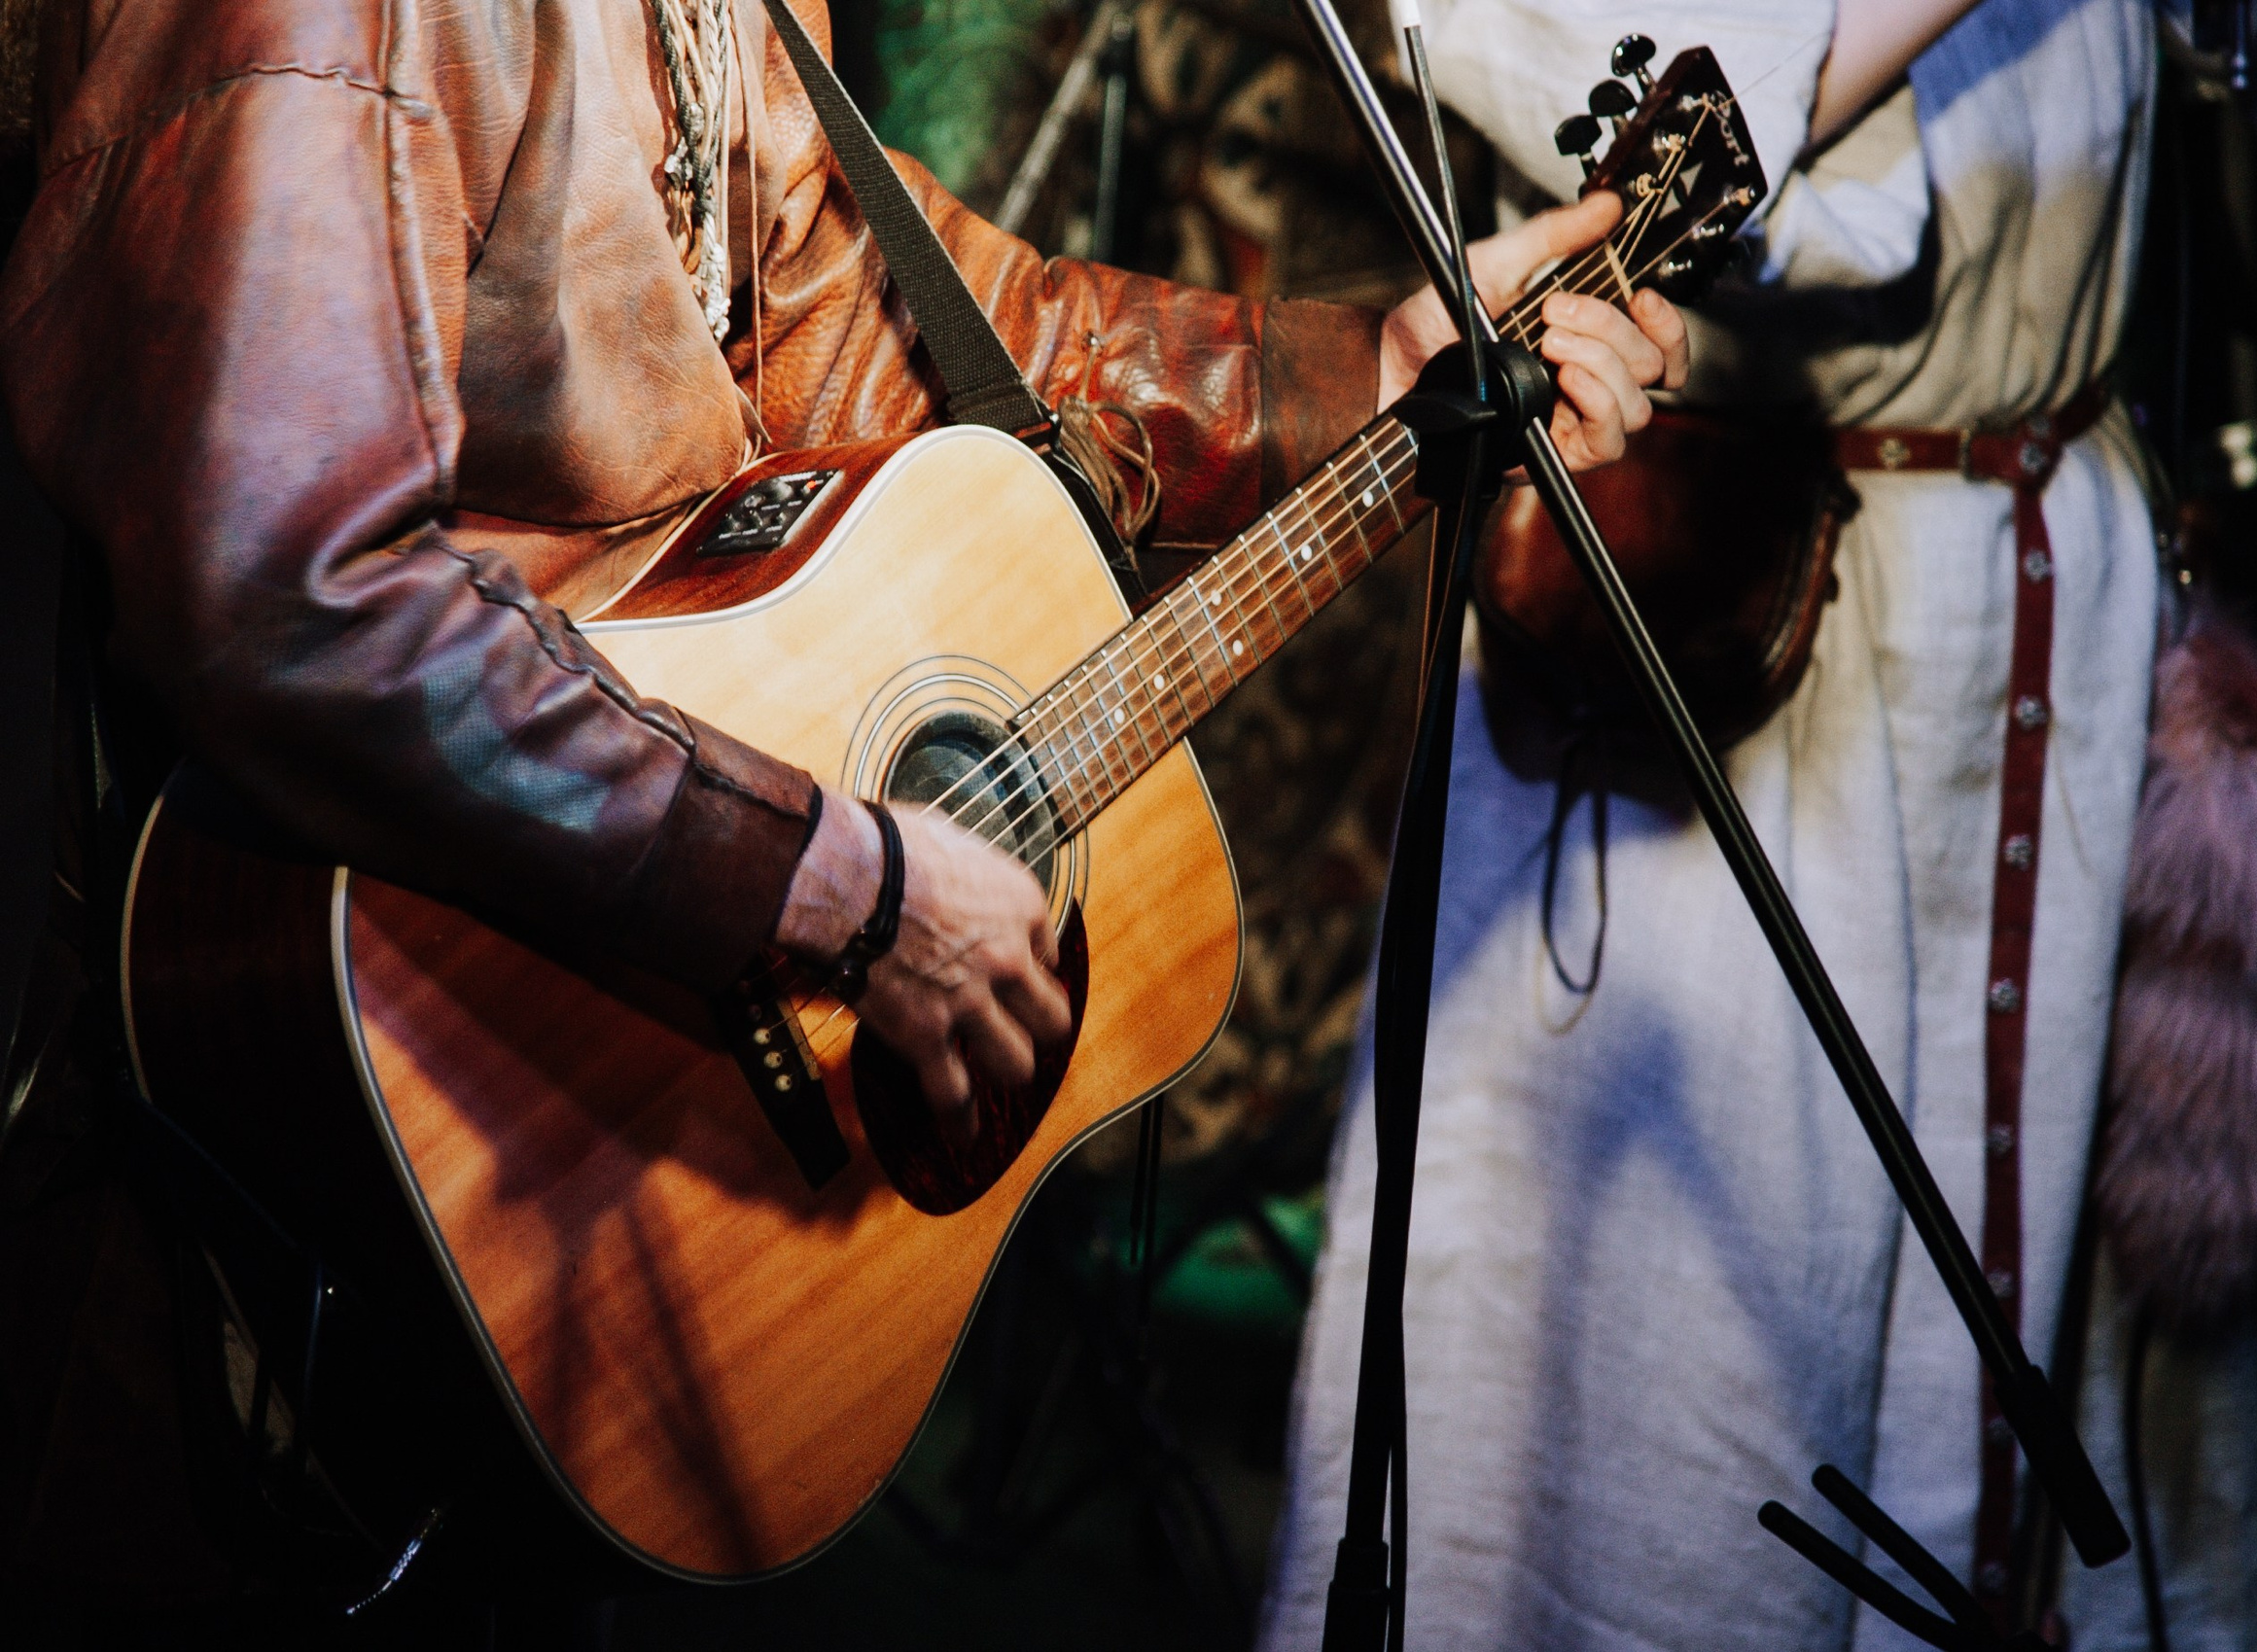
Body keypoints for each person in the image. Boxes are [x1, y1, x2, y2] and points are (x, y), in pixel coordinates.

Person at [0, 0, 1686, 1623]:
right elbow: (298, 601)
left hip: (586, 1121)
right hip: (264, 1200)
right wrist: (845, 894)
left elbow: (887, 320)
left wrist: (1361, 366)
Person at [1263, 0, 2257, 1647]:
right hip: (1730, 627)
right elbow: (1640, 108)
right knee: (1688, 1439)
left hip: (2055, 605)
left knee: (2034, 1454)